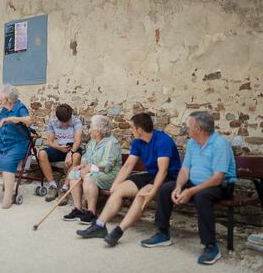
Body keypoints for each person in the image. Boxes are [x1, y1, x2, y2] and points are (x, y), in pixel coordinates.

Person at [141, 111, 236, 265]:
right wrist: (178, 187)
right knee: (166, 188)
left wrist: (191, 191)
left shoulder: (220, 143)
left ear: (198, 128)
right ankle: (163, 233)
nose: (186, 128)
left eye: (189, 124)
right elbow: (185, 170)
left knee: (202, 196)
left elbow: (218, 177)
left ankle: (211, 246)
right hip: (195, 183)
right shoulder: (192, 143)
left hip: (220, 185)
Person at [77, 112, 181, 244]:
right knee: (120, 189)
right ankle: (99, 226)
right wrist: (115, 184)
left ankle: (119, 230)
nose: (130, 130)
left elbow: (163, 170)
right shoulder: (138, 142)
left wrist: (153, 191)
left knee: (143, 194)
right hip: (152, 174)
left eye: (132, 127)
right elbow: (127, 167)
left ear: (139, 129)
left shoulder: (163, 141)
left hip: (169, 177)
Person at [63, 115, 122, 224]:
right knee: (74, 174)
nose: (89, 130)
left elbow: (107, 165)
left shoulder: (112, 143)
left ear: (98, 131)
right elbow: (86, 156)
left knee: (88, 178)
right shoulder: (93, 141)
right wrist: (82, 165)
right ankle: (78, 209)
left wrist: (90, 168)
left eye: (90, 128)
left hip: (110, 175)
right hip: (94, 172)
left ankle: (91, 213)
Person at [38, 104, 83, 202]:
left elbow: (78, 141)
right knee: (41, 154)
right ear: (57, 118)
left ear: (70, 116)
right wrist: (58, 147)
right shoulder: (52, 121)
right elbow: (49, 142)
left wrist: (70, 153)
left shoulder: (76, 121)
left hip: (73, 149)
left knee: (76, 156)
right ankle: (53, 186)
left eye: (67, 121)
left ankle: (65, 189)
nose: (65, 124)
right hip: (59, 148)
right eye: (62, 122)